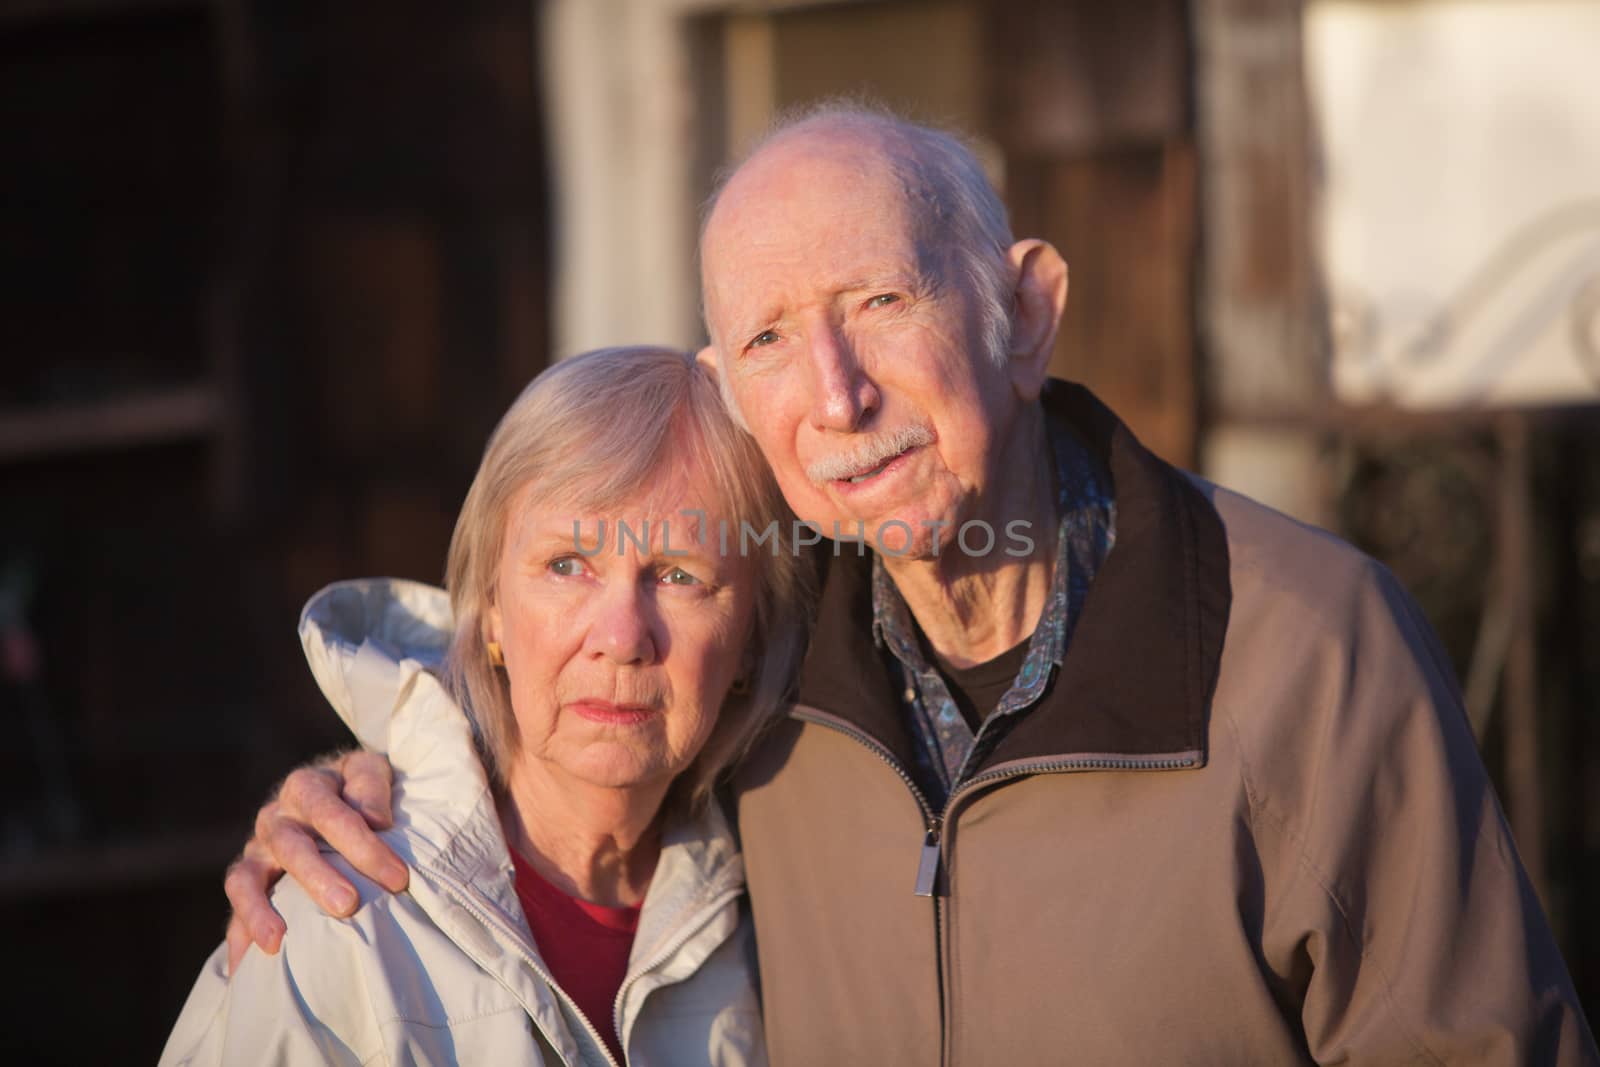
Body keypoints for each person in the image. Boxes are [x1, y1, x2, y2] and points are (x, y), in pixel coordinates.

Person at [225, 105, 1598, 1064]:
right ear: (734, 402)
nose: (836, 392)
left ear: (1025, 313)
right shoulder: (752, 664)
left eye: (883, 300)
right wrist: (378, 786)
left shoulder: (1307, 647)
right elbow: (567, 727)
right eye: (771, 336)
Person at [163, 346, 811, 1065]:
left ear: (753, 637)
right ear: (492, 612)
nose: (623, 637)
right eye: (568, 565)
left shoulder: (784, 921)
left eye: (681, 574)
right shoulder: (341, 930)